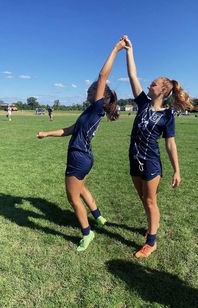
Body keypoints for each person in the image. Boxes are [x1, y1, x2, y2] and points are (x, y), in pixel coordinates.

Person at [37, 39, 125, 251]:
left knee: (72, 198)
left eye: (90, 90)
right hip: (84, 156)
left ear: (98, 95)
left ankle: (87, 233)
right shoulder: (88, 112)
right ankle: (99, 217)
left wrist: (116, 48)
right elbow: (69, 130)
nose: (86, 92)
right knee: (81, 188)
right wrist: (46, 133)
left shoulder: (96, 108)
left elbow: (103, 76)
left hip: (78, 157)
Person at [123, 35, 193, 258]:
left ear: (162, 90)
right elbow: (132, 75)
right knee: (143, 199)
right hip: (134, 159)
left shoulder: (168, 115)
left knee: (151, 200)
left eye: (153, 84)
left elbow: (170, 144)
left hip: (151, 162)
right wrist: (129, 51)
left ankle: (151, 242)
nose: (148, 85)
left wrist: (177, 170)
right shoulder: (143, 103)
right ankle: (151, 228)